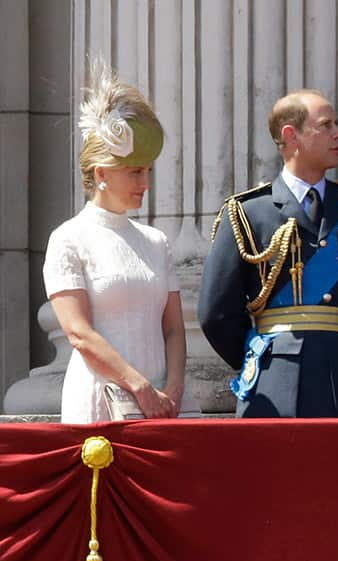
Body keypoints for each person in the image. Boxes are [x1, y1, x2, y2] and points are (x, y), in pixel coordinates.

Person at [199, 89, 338, 418]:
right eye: (326, 125)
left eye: (337, 124)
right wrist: (265, 359)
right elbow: (216, 313)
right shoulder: (248, 211)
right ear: (291, 135)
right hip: (275, 383)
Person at [42, 60, 198, 423]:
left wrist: (173, 387)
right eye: (134, 172)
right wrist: (138, 386)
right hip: (101, 401)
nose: (145, 183)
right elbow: (79, 333)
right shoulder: (68, 238)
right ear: (101, 174)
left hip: (164, 402)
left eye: (147, 171)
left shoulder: (156, 241)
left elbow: (174, 328)